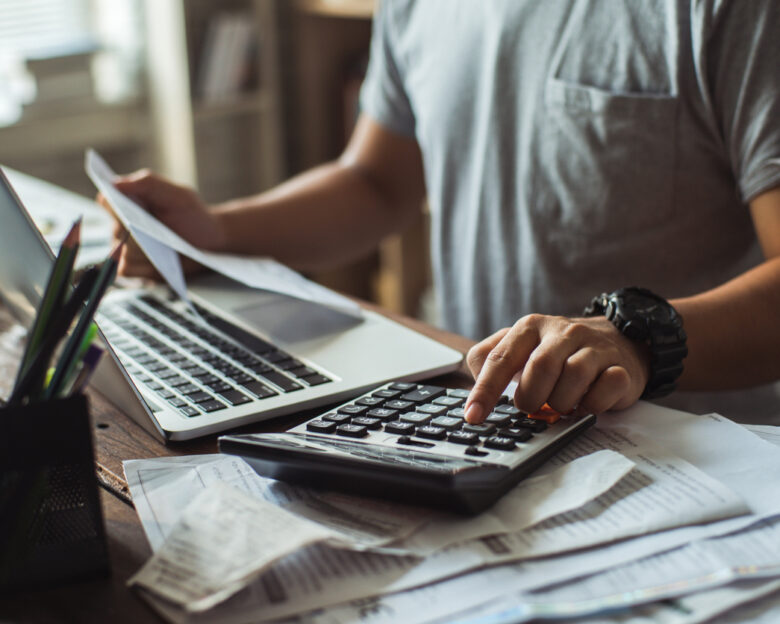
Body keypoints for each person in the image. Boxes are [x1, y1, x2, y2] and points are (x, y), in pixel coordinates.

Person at [106, 0, 780, 424]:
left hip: (685, 465)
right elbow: (375, 182)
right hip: (470, 425)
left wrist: (635, 338)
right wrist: (217, 233)